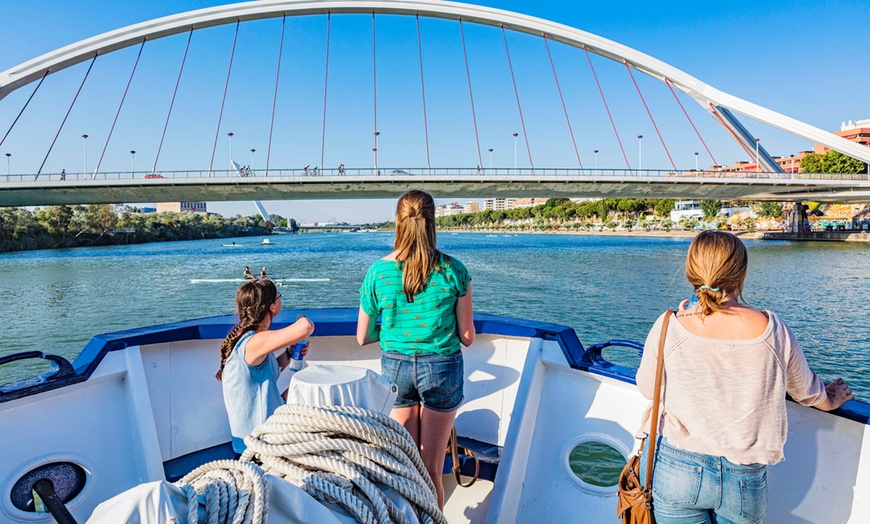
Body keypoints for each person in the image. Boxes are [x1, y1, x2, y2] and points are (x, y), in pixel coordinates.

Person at [635, 230, 853, 524]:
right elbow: (806, 392)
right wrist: (831, 399)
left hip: (677, 468)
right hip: (744, 476)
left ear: (691, 272)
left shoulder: (668, 325)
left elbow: (648, 388)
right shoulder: (773, 329)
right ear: (741, 273)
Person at [356, 189, 475, 509]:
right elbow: (467, 336)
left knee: (406, 466)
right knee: (432, 467)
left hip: (396, 368)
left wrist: (393, 329)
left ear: (398, 222)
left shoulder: (378, 272)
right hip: (442, 367)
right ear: (433, 222)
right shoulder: (454, 270)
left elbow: (362, 336)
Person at [216, 279, 314, 454]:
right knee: (313, 390)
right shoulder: (254, 341)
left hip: (258, 437)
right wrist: (301, 317)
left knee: (306, 386)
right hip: (259, 446)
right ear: (272, 307)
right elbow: (305, 327)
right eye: (278, 297)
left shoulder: (249, 339)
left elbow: (262, 373)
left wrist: (289, 354)